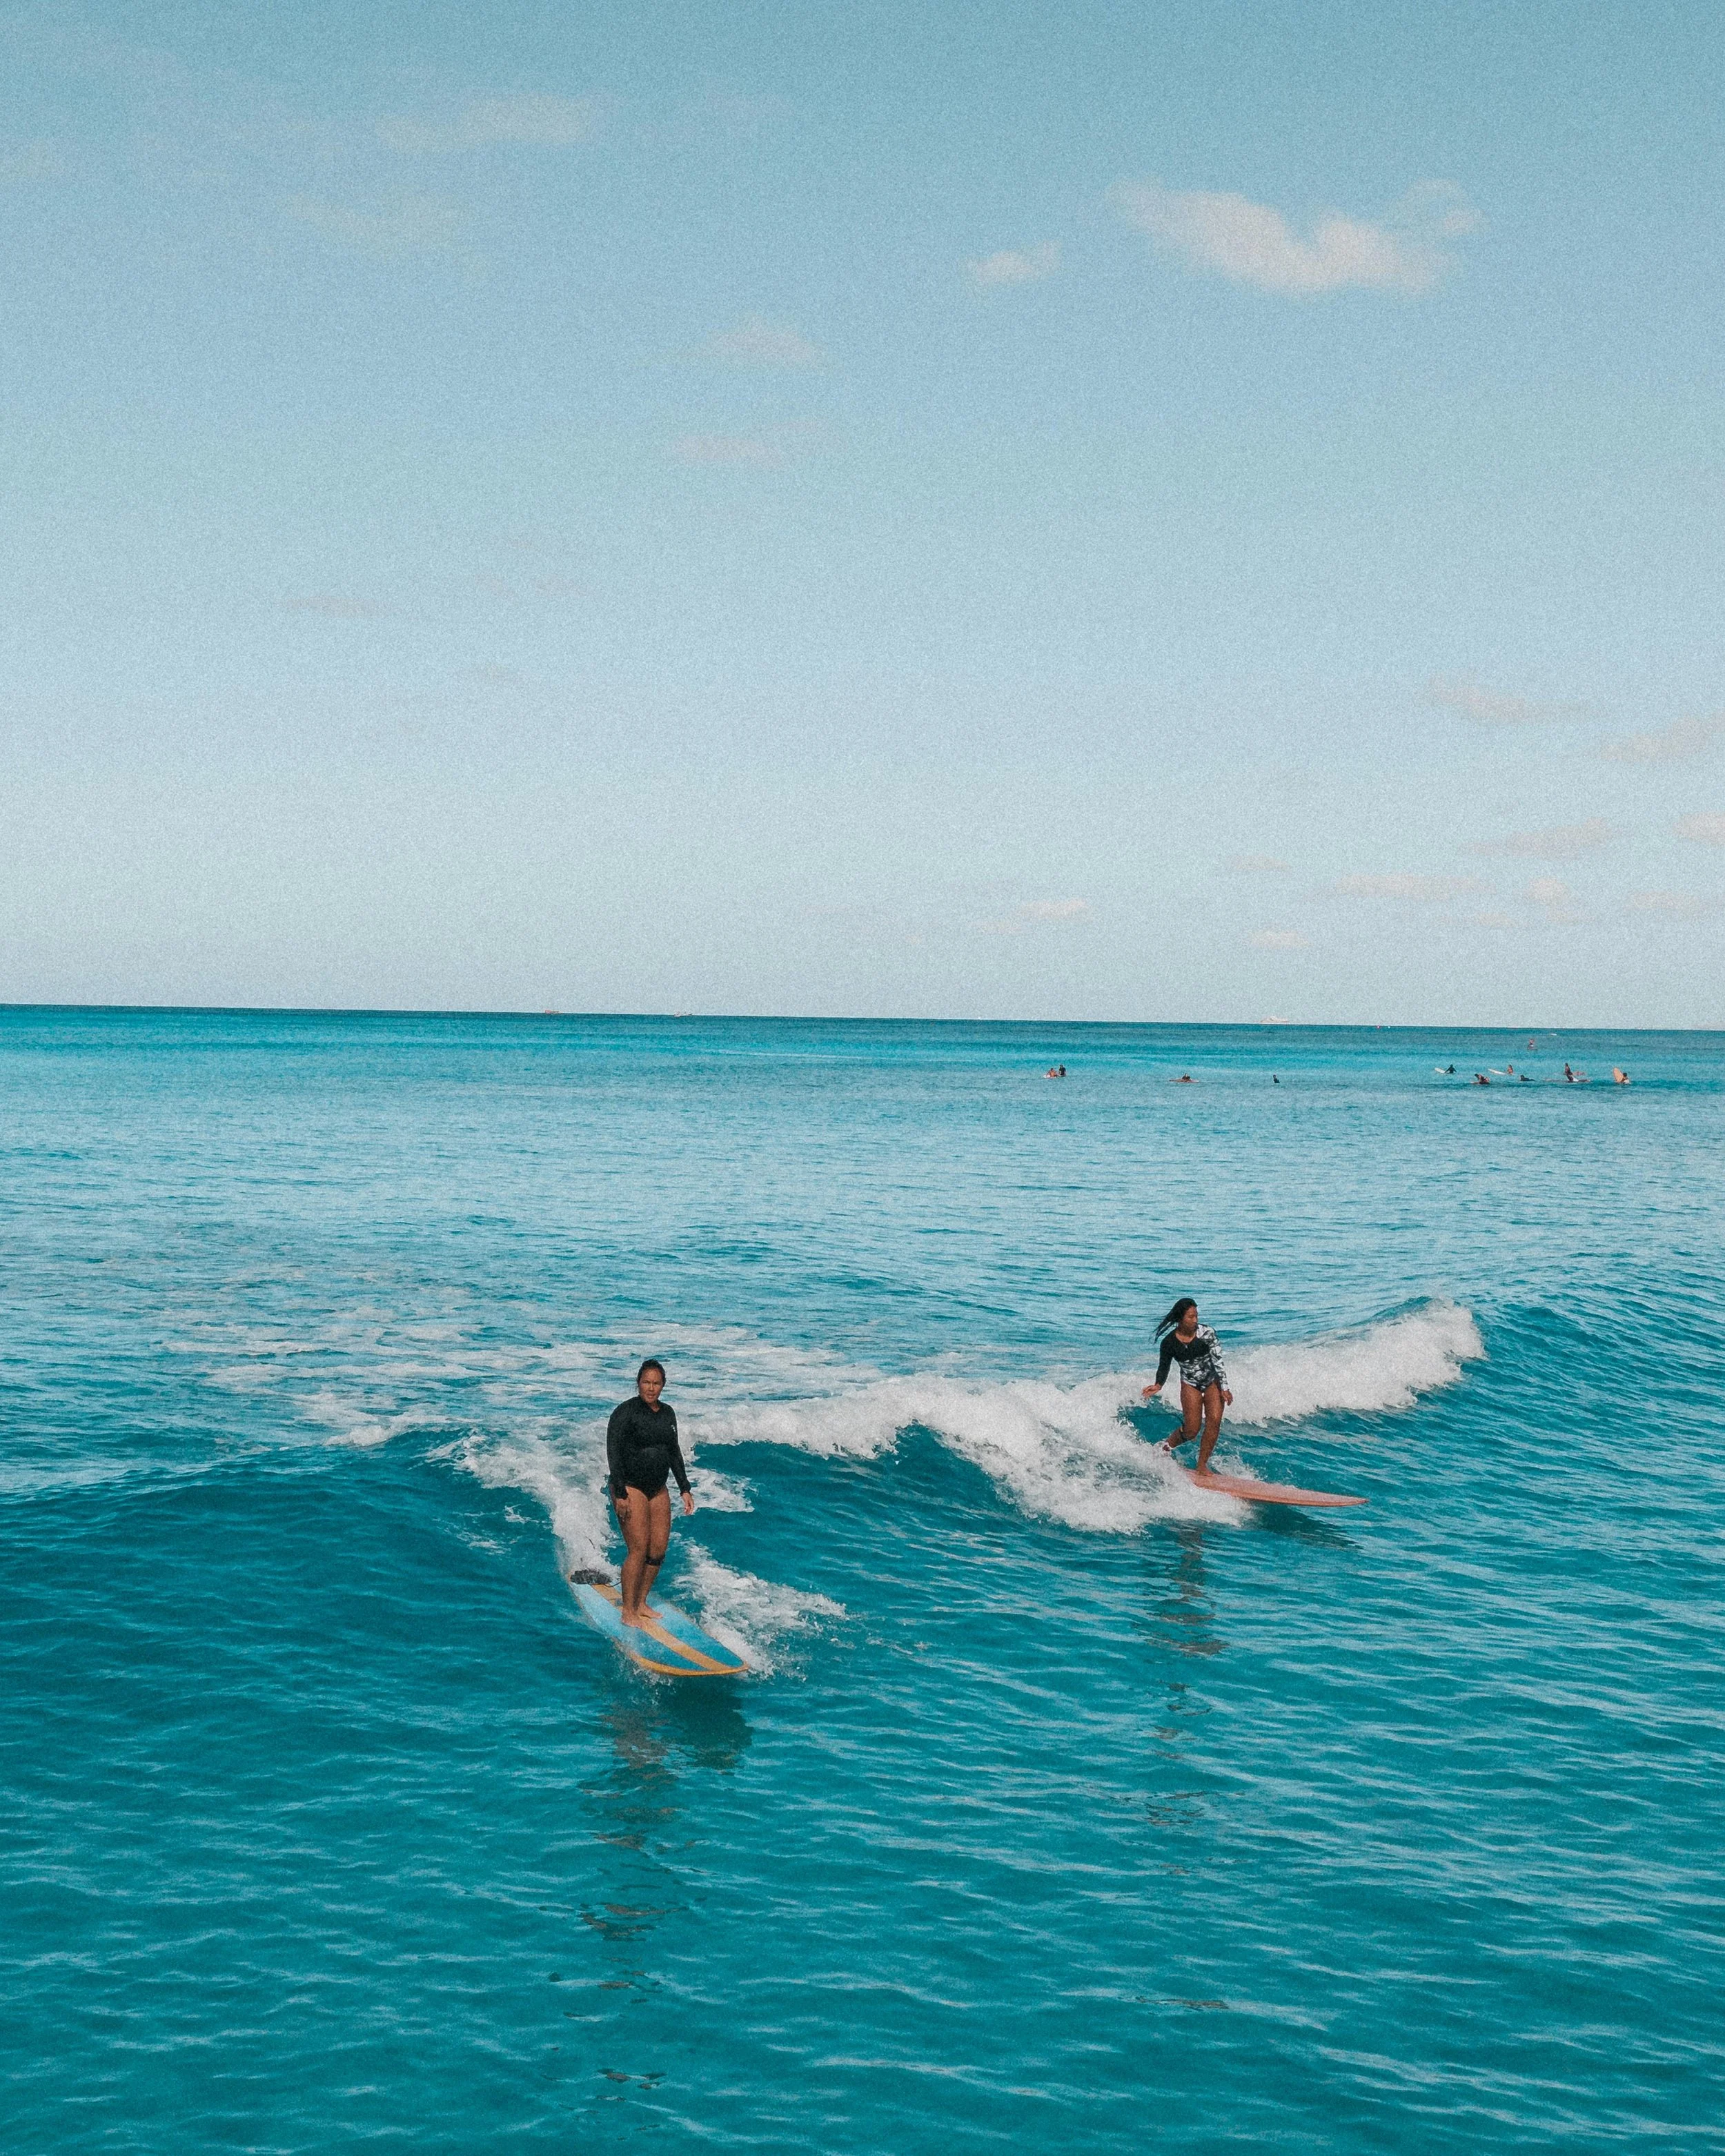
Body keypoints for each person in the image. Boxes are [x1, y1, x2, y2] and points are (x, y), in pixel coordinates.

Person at [606, 1359, 695, 1625]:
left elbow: (673, 1452)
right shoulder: (625, 1413)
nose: (651, 1388)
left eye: (656, 1383)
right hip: (630, 1486)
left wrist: (685, 1488)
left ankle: (641, 1602)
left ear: (663, 1385)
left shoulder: (668, 1414)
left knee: (657, 1551)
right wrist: (620, 1493)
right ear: (638, 1383)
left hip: (658, 1489)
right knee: (638, 1549)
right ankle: (628, 1611)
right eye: (646, 1382)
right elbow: (613, 1452)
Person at [1141, 1298, 1232, 1473]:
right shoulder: (1169, 1343)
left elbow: (1218, 1361)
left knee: (1214, 1421)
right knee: (1191, 1431)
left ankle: (1202, 1466)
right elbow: (1164, 1365)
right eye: (1191, 1317)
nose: (1195, 1320)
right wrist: (1158, 1384)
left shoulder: (1207, 1333)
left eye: (1196, 1316)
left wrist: (1225, 1388)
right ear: (1180, 1319)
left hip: (1212, 1380)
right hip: (1190, 1383)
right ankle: (1165, 1448)